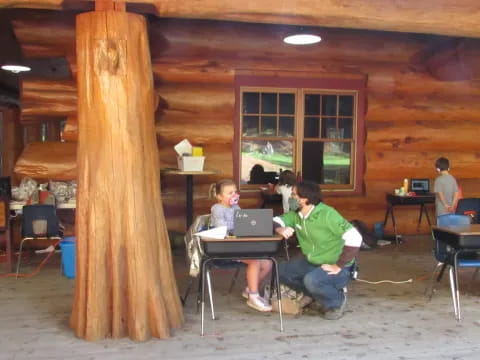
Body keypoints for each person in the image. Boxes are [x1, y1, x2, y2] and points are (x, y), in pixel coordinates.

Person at [273, 180, 362, 320]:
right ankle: (315, 296)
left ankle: (336, 302)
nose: (291, 198)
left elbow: (355, 237)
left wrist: (339, 265)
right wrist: (279, 228)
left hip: (338, 265)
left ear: (305, 198)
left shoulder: (327, 214)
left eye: (294, 195)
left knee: (312, 281)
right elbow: (274, 221)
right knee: (281, 271)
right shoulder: (296, 215)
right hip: (312, 260)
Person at [210, 179, 273, 312]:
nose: (234, 195)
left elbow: (243, 224)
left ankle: (250, 289)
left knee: (267, 263)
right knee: (254, 261)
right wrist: (240, 226)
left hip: (238, 245)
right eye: (229, 193)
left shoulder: (236, 208)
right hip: (224, 248)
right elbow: (221, 228)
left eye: (235, 192)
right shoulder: (217, 209)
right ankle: (253, 297)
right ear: (219, 197)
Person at [434, 157, 459, 221]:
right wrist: (452, 206)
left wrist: (445, 205)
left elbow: (440, 194)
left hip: (442, 210)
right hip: (451, 209)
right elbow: (456, 193)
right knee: (450, 228)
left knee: (442, 228)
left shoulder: (438, 180)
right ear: (448, 168)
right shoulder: (452, 179)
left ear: (438, 169)